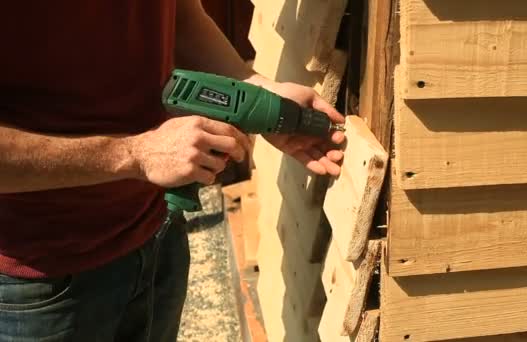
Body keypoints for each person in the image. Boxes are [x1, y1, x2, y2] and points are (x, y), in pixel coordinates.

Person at [0, 0, 345, 341]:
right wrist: (137, 154)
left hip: (157, 229)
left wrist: (256, 90)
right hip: (42, 278)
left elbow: (176, 12)